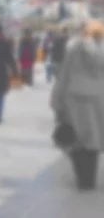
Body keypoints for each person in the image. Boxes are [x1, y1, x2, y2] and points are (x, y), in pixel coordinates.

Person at [51, 20, 104, 191]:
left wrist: (56, 101)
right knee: (93, 140)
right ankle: (89, 179)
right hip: (98, 100)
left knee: (77, 140)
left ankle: (83, 178)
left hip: (73, 99)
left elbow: (64, 77)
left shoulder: (73, 50)